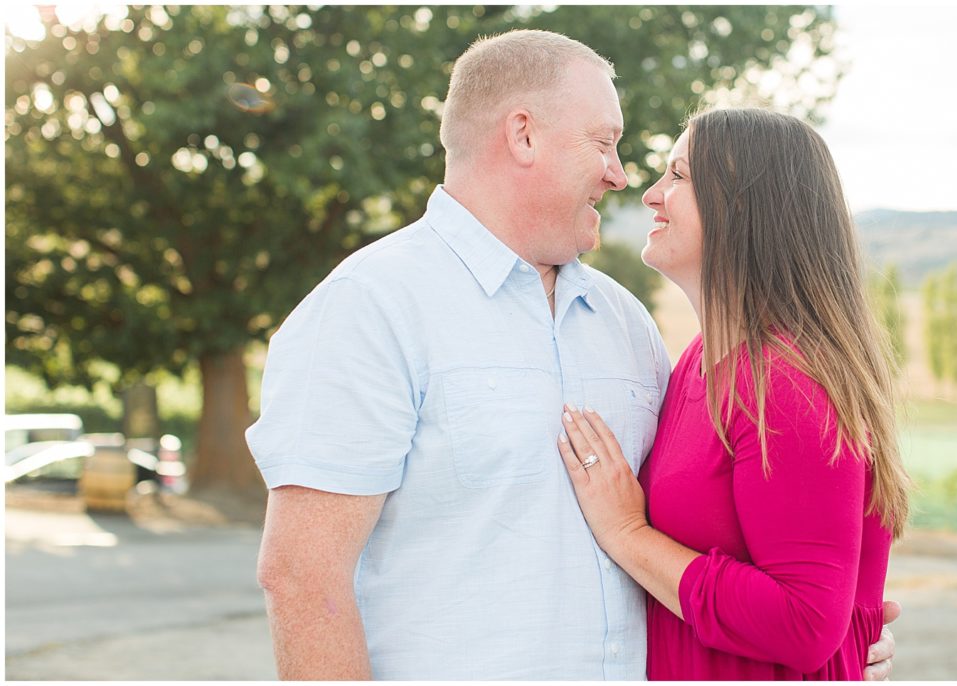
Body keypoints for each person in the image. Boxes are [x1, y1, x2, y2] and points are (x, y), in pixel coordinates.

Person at [246, 31, 898, 680]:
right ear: (524, 135)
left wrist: (839, 636)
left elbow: (732, 537)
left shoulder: (629, 326)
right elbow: (303, 579)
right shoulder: (372, 308)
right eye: (604, 142)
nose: (622, 175)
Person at [556, 108, 912, 680]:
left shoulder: (786, 384)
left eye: (677, 175)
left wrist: (627, 532)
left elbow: (805, 622)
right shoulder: (701, 363)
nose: (651, 195)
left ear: (743, 208)